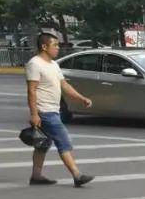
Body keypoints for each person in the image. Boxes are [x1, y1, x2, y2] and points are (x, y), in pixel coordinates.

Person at [25, 33, 94, 187]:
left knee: (42, 144)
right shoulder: (34, 64)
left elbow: (64, 85)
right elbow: (32, 90)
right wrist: (34, 113)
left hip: (53, 110)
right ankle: (77, 175)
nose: (57, 48)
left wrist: (81, 98)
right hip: (45, 111)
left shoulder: (54, 65)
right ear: (44, 46)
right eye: (55, 45)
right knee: (63, 141)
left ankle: (36, 176)